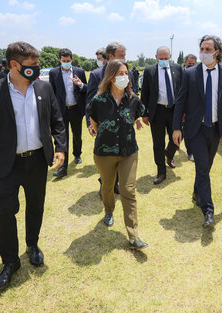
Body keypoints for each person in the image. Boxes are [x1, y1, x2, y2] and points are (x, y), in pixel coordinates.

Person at [0, 41, 66, 292]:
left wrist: (61, 148)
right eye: (32, 65)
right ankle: (10, 262)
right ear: (15, 65)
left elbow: (57, 121)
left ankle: (32, 245)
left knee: (35, 206)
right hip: (7, 164)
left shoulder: (44, 88)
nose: (37, 68)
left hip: (37, 161)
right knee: (4, 213)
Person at [173, 35, 222, 228]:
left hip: (215, 129)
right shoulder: (190, 73)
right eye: (202, 48)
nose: (204, 52)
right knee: (202, 167)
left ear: (217, 52)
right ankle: (208, 211)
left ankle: (196, 192)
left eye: (208, 49)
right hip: (196, 130)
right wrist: (176, 127)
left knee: (205, 168)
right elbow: (181, 101)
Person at [87, 60, 148, 250]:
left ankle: (133, 236)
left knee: (128, 190)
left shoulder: (133, 100)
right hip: (104, 153)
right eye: (119, 73)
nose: (124, 76)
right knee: (107, 187)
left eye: (126, 73)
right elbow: (94, 125)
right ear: (110, 77)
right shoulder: (98, 101)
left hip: (129, 151)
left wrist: (134, 122)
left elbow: (135, 117)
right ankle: (108, 210)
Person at [86, 42, 137, 195]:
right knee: (106, 154)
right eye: (121, 56)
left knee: (122, 152)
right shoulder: (96, 75)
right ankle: (106, 183)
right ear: (110, 56)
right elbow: (89, 101)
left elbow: (132, 95)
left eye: (125, 56)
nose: (124, 59)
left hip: (123, 123)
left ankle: (116, 183)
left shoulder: (129, 73)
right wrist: (90, 122)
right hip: (104, 124)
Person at [141, 46, 182, 185]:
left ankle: (169, 155)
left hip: (174, 110)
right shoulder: (149, 71)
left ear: (170, 56)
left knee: (176, 139)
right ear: (156, 57)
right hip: (157, 111)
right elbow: (144, 93)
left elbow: (182, 91)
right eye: (161, 58)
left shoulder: (177, 68)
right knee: (158, 143)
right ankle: (161, 171)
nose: (164, 61)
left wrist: (184, 112)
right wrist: (144, 113)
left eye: (166, 58)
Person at [49, 48, 87, 178]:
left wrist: (80, 84)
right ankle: (63, 165)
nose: (66, 62)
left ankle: (77, 154)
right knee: (62, 137)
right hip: (61, 111)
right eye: (63, 60)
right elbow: (52, 92)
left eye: (68, 60)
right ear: (59, 60)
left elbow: (86, 89)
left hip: (76, 109)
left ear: (72, 59)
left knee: (77, 134)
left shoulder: (79, 72)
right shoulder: (53, 73)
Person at [183, 53, 197, 162]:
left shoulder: (198, 74)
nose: (191, 65)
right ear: (185, 63)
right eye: (189, 64)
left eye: (193, 64)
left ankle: (193, 151)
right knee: (186, 131)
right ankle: (190, 152)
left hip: (195, 108)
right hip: (184, 108)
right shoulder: (181, 73)